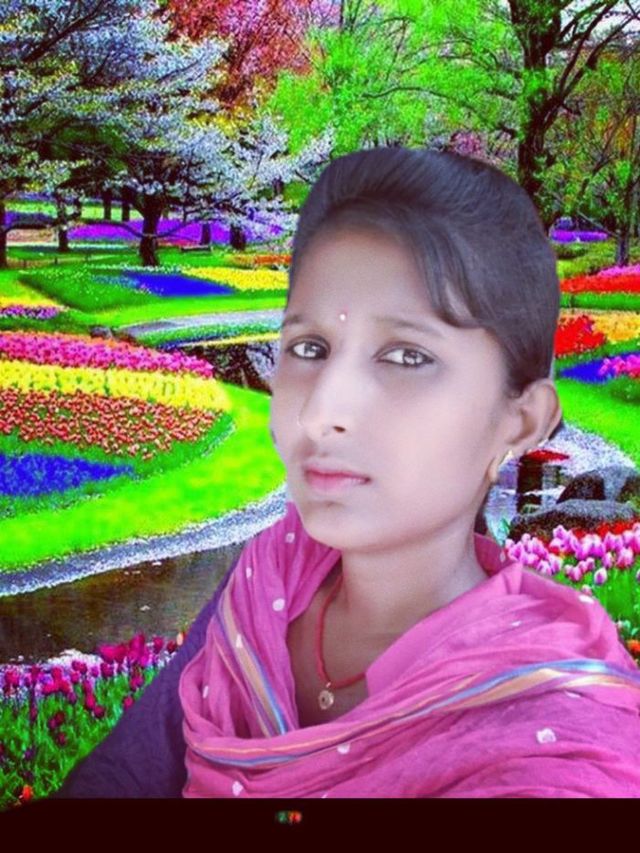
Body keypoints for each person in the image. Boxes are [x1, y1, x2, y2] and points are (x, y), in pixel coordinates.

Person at [52, 147, 640, 799]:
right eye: (309, 348)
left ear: (522, 421)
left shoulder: (551, 739)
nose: (323, 411)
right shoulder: (272, 579)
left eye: (406, 356)